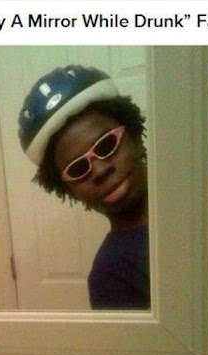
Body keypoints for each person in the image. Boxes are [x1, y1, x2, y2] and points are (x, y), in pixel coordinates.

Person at [18, 65, 150, 310]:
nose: (99, 170)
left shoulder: (200, 190)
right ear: (71, 192)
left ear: (135, 137)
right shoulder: (112, 276)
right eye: (78, 168)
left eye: (106, 145)